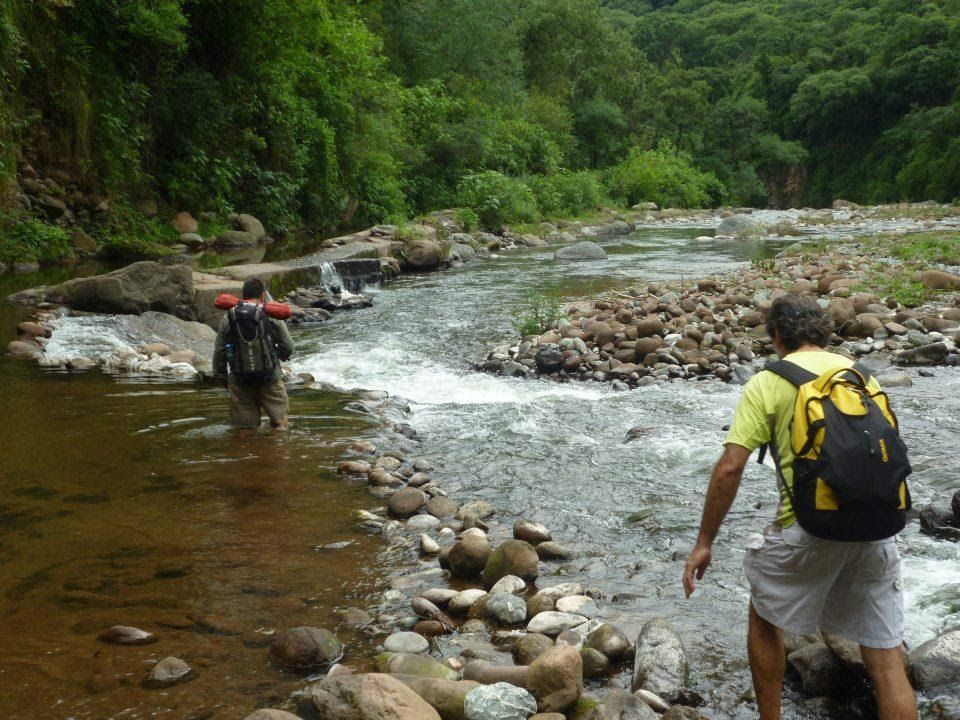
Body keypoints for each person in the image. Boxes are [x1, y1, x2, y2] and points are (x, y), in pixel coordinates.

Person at [682, 293, 916, 720]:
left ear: (776, 335)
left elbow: (730, 468)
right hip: (877, 529)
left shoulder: (770, 381)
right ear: (822, 331)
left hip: (807, 528)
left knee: (764, 618)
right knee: (884, 656)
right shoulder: (860, 376)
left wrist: (704, 541)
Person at [213, 277, 295, 430]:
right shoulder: (271, 314)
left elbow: (219, 350)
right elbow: (288, 346)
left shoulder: (229, 316)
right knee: (280, 424)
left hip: (240, 379)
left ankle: (247, 452)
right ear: (263, 296)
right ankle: (276, 451)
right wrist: (277, 358)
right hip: (270, 377)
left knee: (243, 429)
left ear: (243, 296)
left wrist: (221, 377)